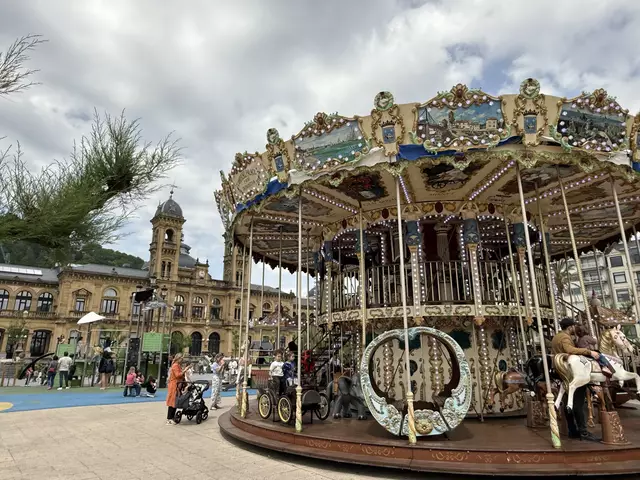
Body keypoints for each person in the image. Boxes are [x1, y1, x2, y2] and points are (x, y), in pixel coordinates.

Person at [551, 318, 599, 442]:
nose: (575, 328)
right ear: (570, 327)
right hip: (572, 372)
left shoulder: (556, 337)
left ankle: (572, 430)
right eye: (573, 326)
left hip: (564, 373)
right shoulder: (564, 337)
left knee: (568, 402)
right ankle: (583, 431)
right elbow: (570, 350)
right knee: (578, 403)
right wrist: (589, 352)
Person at [166, 353, 187, 425]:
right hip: (174, 385)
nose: (182, 360)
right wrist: (185, 370)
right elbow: (178, 375)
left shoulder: (178, 365)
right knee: (172, 402)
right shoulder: (175, 365)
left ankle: (172, 417)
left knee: (175, 402)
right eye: (181, 358)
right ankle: (169, 418)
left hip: (177, 385)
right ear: (178, 358)